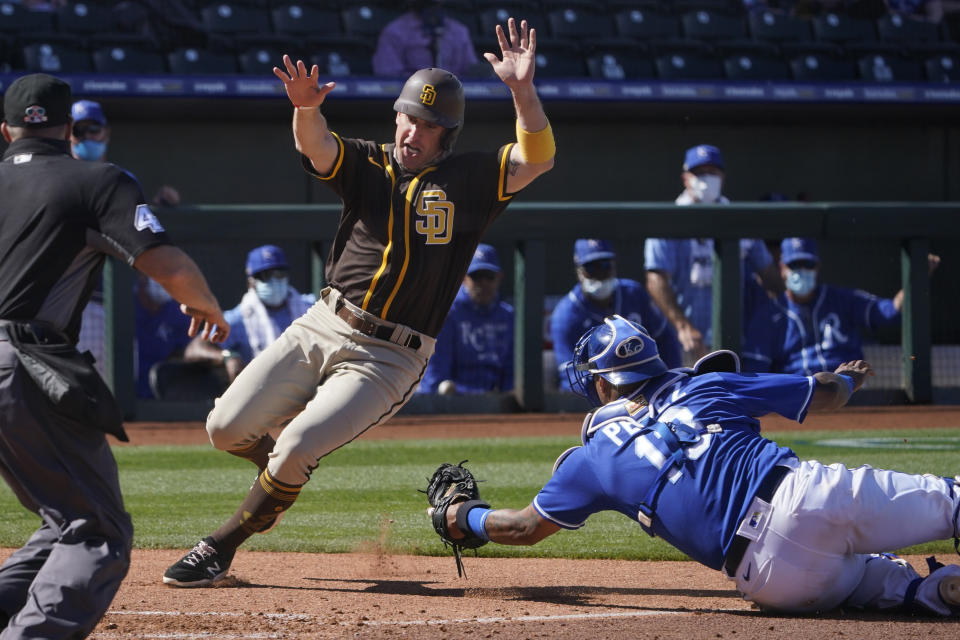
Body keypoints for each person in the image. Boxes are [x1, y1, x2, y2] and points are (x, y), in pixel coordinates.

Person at [161, 16, 555, 587]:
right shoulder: (369, 161)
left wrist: (521, 89)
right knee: (223, 427)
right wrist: (305, 107)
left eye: (427, 124)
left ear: (447, 134)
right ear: (394, 115)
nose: (412, 131)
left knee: (295, 444)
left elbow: (537, 157)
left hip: (390, 356)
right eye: (407, 117)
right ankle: (282, 477)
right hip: (323, 321)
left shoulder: (472, 178)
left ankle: (220, 546)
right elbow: (318, 147)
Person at [433, 314, 960, 616]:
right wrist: (848, 379)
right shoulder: (705, 384)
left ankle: (926, 590)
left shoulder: (588, 459)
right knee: (950, 499)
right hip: (801, 496)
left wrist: (462, 517)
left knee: (877, 581)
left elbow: (522, 528)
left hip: (770, 579)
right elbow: (823, 395)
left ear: (602, 384)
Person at [0, 73, 228, 637]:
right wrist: (206, 307)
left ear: (4, 131)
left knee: (66, 518)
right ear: (69, 128)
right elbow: (167, 264)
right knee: (98, 528)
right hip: (22, 362)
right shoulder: (96, 180)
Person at [644, 144, 781, 365]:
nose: (706, 178)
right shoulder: (668, 222)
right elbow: (656, 280)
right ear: (685, 179)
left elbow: (768, 274)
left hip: (734, 342)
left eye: (712, 172)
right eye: (699, 173)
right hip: (683, 344)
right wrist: (683, 326)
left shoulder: (740, 221)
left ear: (722, 177)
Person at [741, 237, 940, 375]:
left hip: (847, 390)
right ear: (782, 267)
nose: (801, 270)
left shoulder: (841, 299)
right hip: (798, 397)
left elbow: (889, 312)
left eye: (807, 264)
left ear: (817, 266)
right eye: (795, 265)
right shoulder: (767, 315)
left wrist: (915, 278)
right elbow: (755, 372)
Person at [551, 238, 681, 390]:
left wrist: (671, 382)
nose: (600, 273)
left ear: (614, 266)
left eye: (605, 265)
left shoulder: (634, 294)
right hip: (597, 395)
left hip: (645, 385)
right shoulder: (565, 315)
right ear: (579, 271)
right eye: (591, 268)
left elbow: (665, 340)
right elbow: (571, 374)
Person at [184, 245, 315, 385]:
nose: (274, 281)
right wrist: (227, 357)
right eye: (265, 276)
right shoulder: (239, 318)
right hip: (266, 392)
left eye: (279, 274)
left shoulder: (311, 308)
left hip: (311, 387)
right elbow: (194, 350)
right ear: (251, 282)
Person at [419, 243, 514, 394]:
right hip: (452, 401)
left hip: (495, 402)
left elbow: (512, 372)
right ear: (463, 278)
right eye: (476, 276)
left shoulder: (508, 315)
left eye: (489, 277)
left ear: (499, 277)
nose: (483, 283)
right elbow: (436, 375)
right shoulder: (446, 314)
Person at [372, 0, 482, 78]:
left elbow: (472, 73)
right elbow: (388, 76)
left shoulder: (459, 31)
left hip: (454, 102)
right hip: (411, 102)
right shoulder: (394, 32)